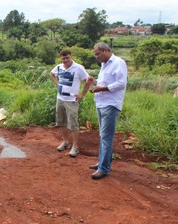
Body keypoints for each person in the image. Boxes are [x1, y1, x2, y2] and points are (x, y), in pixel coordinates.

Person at [86, 42, 128, 179]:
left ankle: (103, 168)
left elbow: (121, 84)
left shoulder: (118, 63)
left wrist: (101, 88)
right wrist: (95, 82)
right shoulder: (104, 65)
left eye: (98, 54)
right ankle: (102, 163)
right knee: (103, 136)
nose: (97, 57)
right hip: (101, 103)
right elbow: (104, 83)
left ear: (105, 50)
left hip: (110, 104)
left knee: (106, 137)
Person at [50, 49, 91, 157]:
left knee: (73, 123)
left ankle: (75, 146)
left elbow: (88, 80)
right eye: (63, 58)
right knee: (62, 121)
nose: (65, 60)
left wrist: (82, 94)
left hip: (72, 101)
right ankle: (65, 142)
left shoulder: (78, 68)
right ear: (60, 58)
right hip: (60, 99)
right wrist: (57, 83)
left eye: (67, 57)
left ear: (71, 56)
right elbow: (51, 74)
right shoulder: (59, 67)